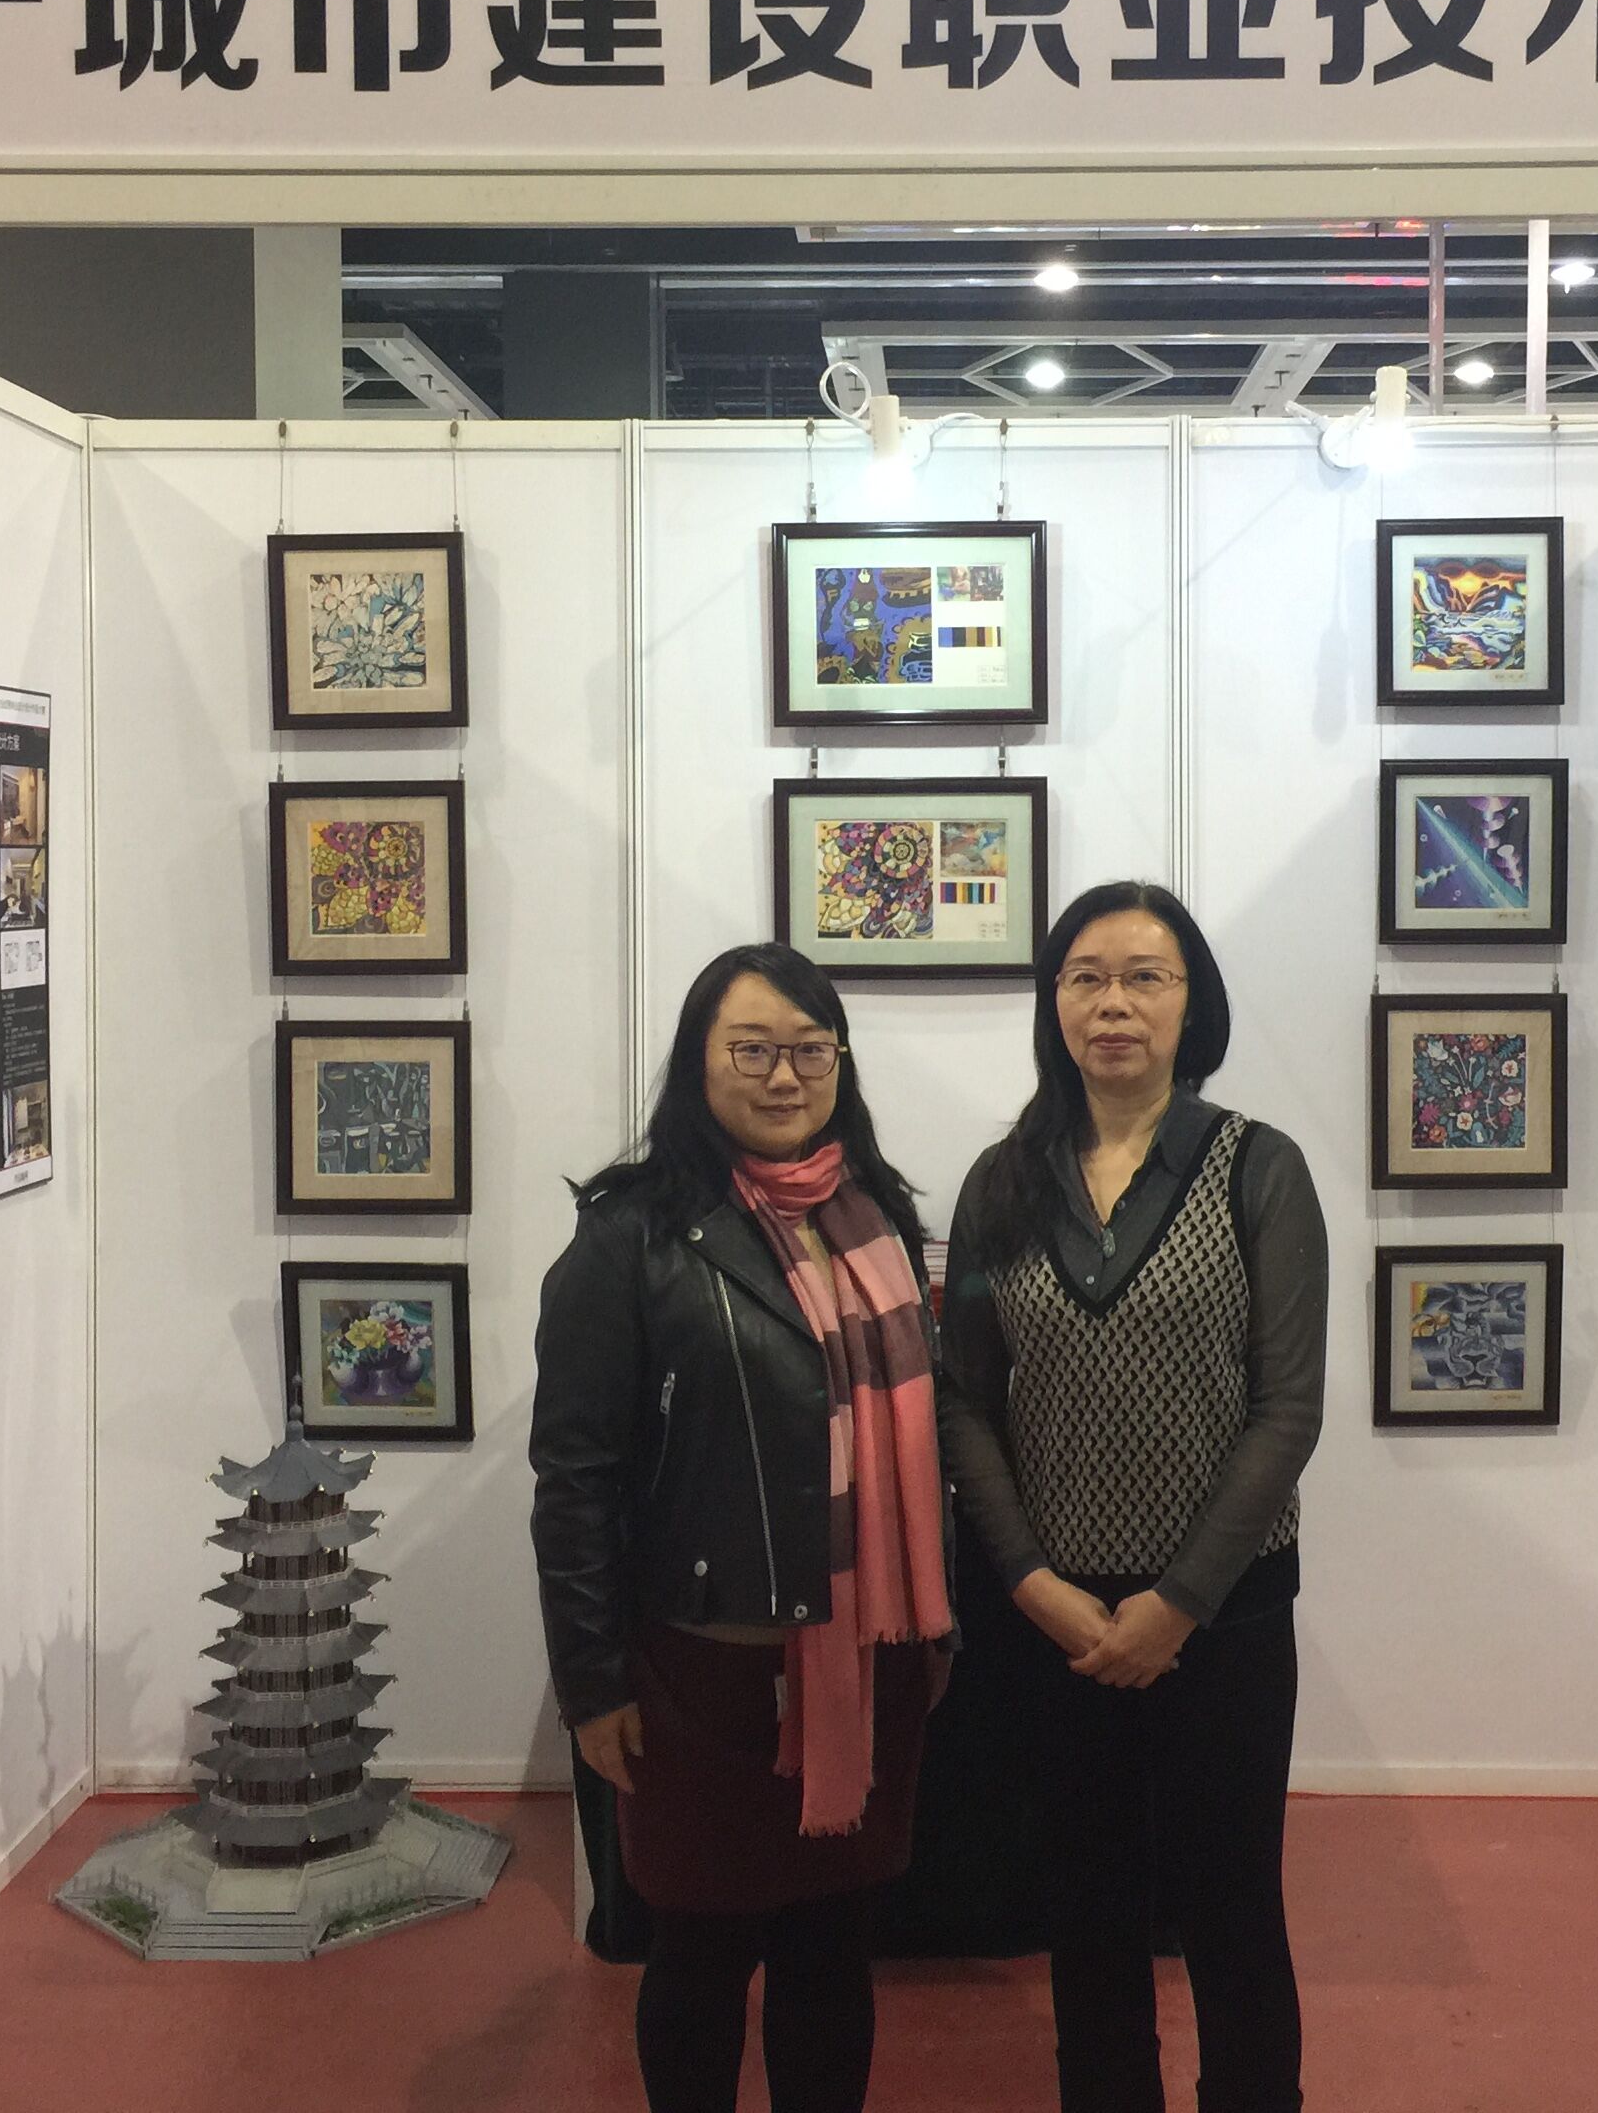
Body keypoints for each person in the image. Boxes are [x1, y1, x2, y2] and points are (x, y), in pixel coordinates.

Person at [531, 943, 955, 2113]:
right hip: (703, 1678)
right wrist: (590, 1681)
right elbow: (575, 1478)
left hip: (866, 1668)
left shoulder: (877, 1214)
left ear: (840, 1063)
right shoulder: (630, 1238)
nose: (783, 1076)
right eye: (753, 1049)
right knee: (701, 1955)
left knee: (832, 1947)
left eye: (810, 1050)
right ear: (699, 1062)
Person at [940, 882, 1328, 2113]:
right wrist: (1030, 1582)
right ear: (1054, 1003)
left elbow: (1288, 1410)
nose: (1113, 1004)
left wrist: (1179, 1603)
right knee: (1089, 1913)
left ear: (1191, 1004)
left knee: (1231, 1910)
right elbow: (965, 1402)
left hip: (1224, 1618)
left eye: (1145, 977)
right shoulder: (1002, 1183)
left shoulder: (1259, 1168)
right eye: (1086, 978)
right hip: (1057, 1623)